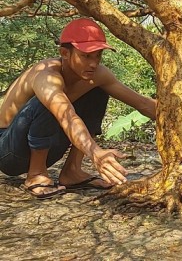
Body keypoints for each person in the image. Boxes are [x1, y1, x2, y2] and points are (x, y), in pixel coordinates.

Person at [0, 18, 156, 199]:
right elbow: (66, 115)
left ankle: (72, 171)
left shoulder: (97, 75)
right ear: (65, 53)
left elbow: (142, 103)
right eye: (86, 56)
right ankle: (36, 174)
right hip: (8, 152)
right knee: (49, 101)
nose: (93, 63)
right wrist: (96, 153)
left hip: (46, 147)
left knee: (97, 91)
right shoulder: (46, 75)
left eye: (98, 56)